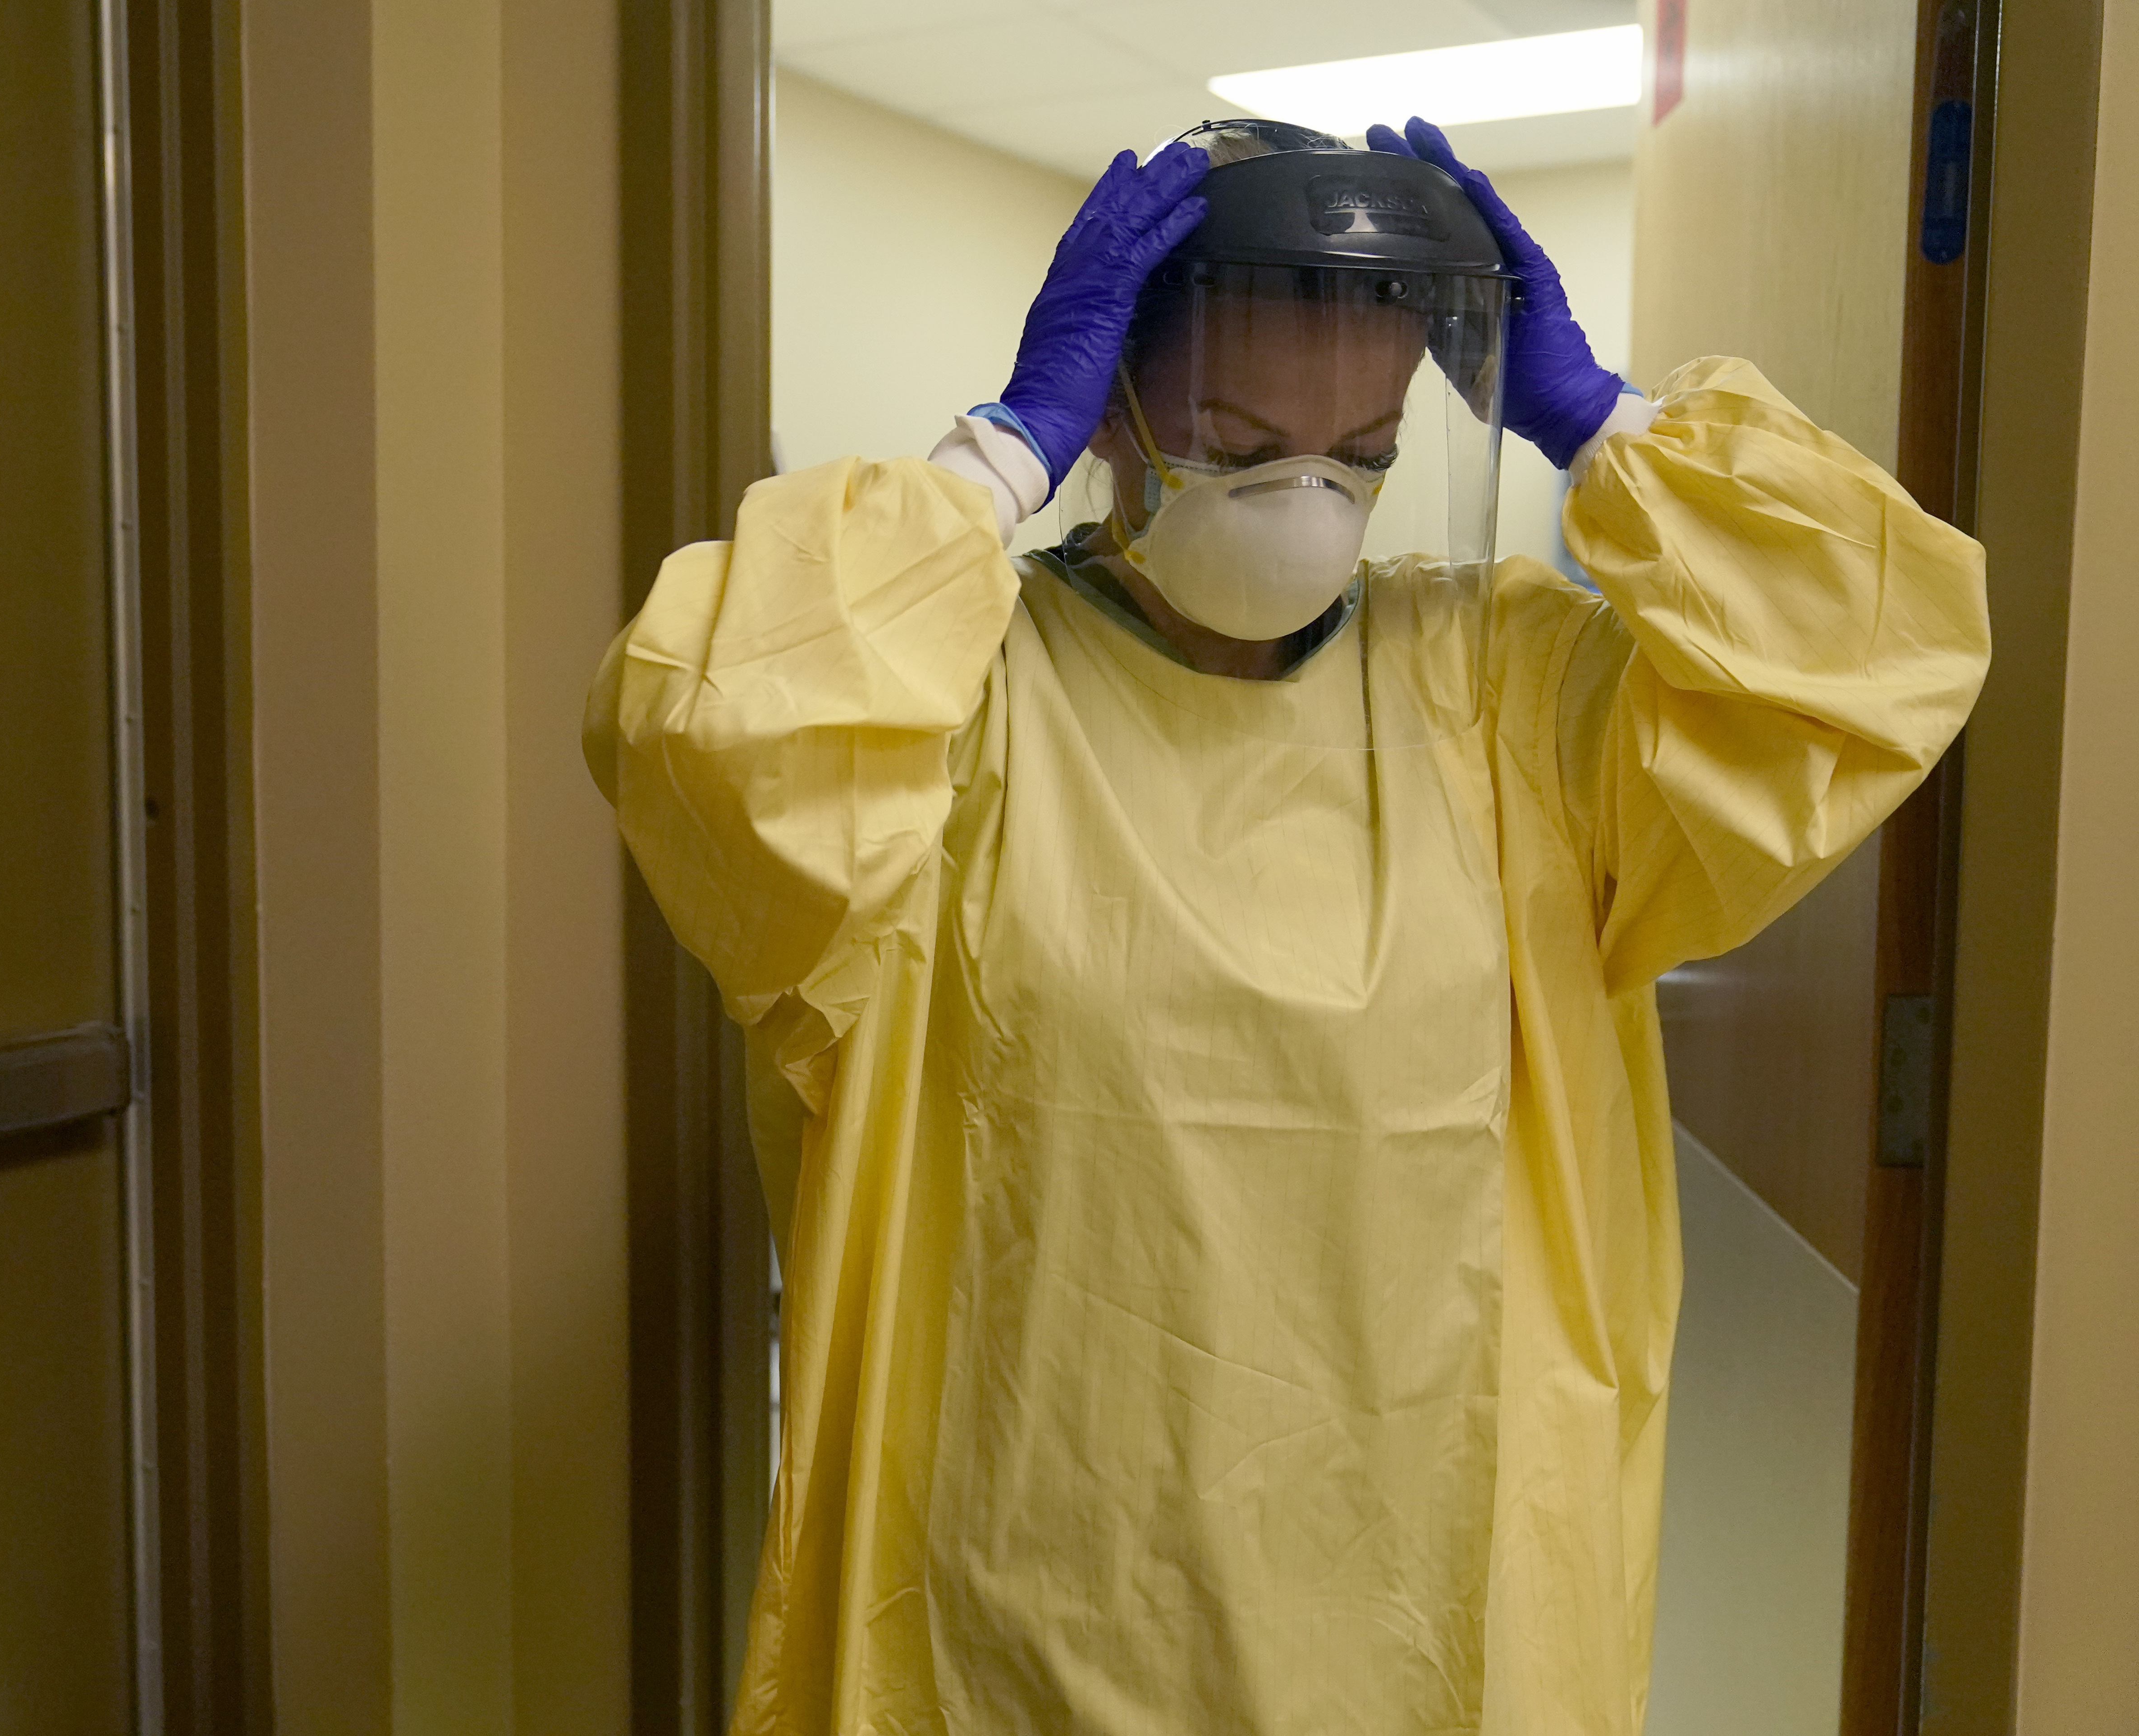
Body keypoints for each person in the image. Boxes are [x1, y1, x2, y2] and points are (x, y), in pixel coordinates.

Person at [585, 115, 1989, 1734]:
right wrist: (992, 458)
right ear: (1114, 409)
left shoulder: (1504, 692)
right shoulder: (958, 702)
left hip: (1428, 1593)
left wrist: (1606, 428)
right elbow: (697, 727)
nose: (1309, 504)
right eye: (1243, 442)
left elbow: (1874, 658)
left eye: (1365, 452)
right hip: (1030, 1595)